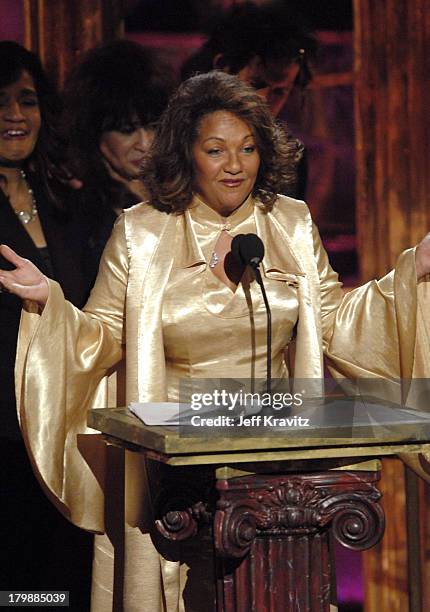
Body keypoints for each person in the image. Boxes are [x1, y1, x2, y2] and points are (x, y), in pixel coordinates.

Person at [0, 71, 429, 611]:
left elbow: (336, 318)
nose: (235, 165)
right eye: (216, 150)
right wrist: (50, 304)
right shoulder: (143, 232)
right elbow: (104, 336)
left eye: (248, 149)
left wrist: (411, 275)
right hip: (174, 464)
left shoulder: (290, 221)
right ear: (186, 154)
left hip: (274, 457)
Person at [0, 41, 91, 604]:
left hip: (66, 430)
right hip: (4, 437)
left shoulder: (65, 197)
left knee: (65, 588)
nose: (15, 115)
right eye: (0, 101)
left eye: (27, 100)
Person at [61, 39, 174, 290]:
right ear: (95, 132)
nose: (144, 143)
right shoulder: (78, 215)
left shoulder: (183, 193)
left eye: (152, 126)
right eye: (127, 130)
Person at [181, 0, 317, 199]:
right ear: (222, 67)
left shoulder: (289, 158)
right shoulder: (180, 143)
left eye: (279, 92)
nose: (263, 100)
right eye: (255, 85)